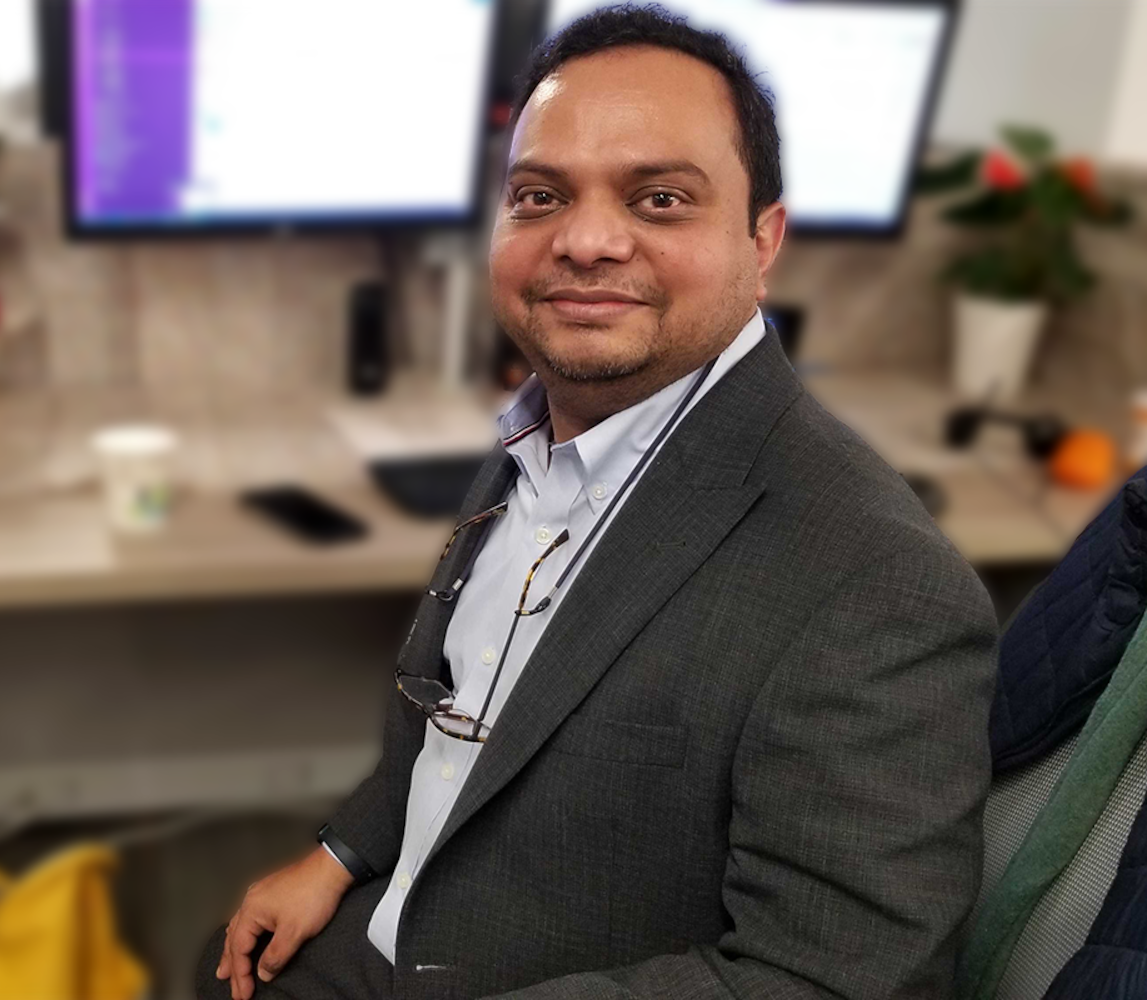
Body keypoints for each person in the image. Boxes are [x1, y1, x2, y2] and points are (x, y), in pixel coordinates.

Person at [199, 6, 997, 999]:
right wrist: (341, 850)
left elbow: (833, 980)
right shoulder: (552, 427)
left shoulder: (881, 583)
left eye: (659, 199)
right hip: (393, 919)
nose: (582, 241)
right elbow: (464, 704)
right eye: (539, 195)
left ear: (764, 241)